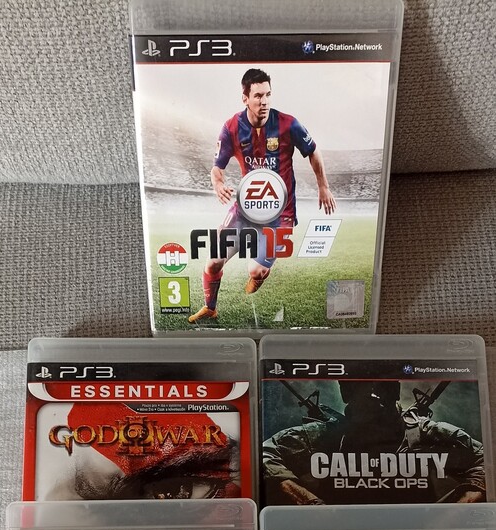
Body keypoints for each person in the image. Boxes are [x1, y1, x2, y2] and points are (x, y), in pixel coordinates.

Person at [189, 68, 335, 323]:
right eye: (258, 96)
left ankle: (259, 276)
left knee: (255, 269)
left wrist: (323, 186)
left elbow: (313, 150)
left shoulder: (288, 124)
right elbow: (217, 168)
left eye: (268, 94)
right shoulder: (231, 128)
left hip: (281, 213)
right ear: (245, 98)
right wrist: (218, 184)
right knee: (213, 261)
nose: (264, 101)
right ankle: (210, 308)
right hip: (245, 209)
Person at [263, 379, 486, 505]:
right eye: (361, 387)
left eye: (379, 387)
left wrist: (457, 510)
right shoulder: (326, 435)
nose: (371, 394)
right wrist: (309, 503)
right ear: (346, 392)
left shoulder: (423, 432)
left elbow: (485, 460)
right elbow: (264, 454)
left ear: (393, 390)